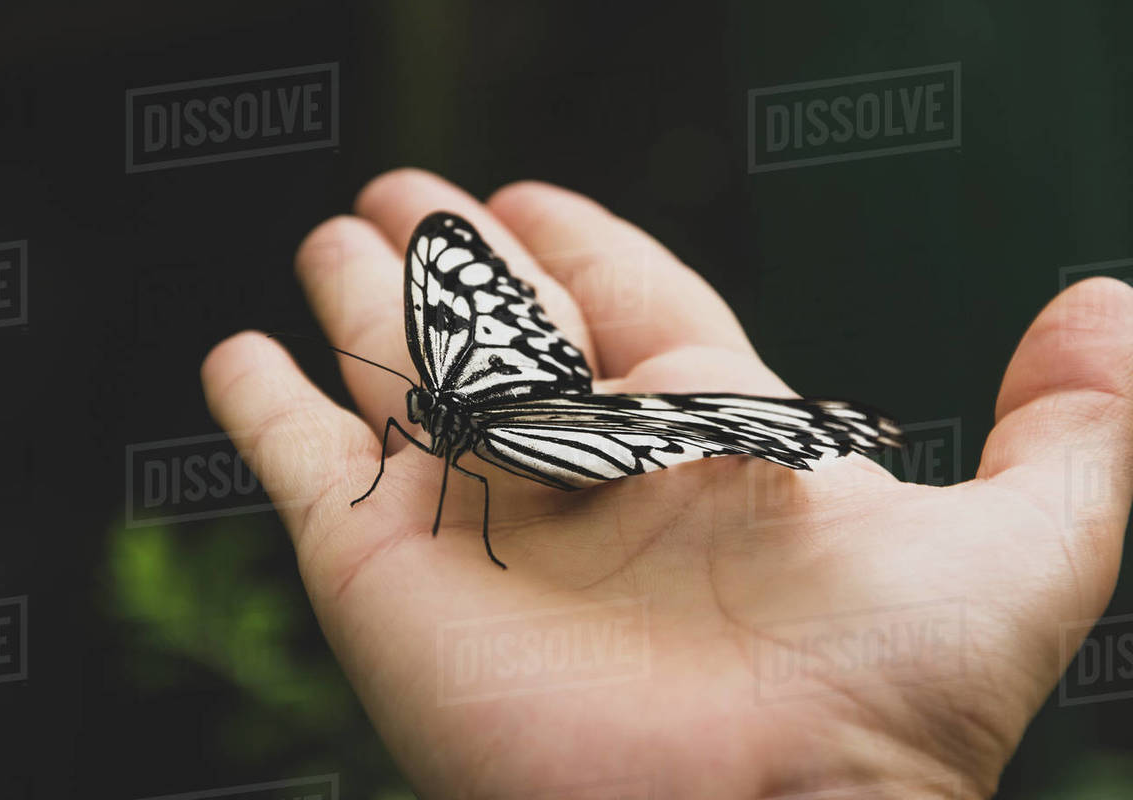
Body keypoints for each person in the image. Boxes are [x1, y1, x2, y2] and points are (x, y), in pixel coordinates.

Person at [200, 168, 1133, 799]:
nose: (421, 409)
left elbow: (473, 456)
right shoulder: (445, 409)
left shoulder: (476, 414)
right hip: (552, 422)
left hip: (573, 429)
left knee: (519, 438)